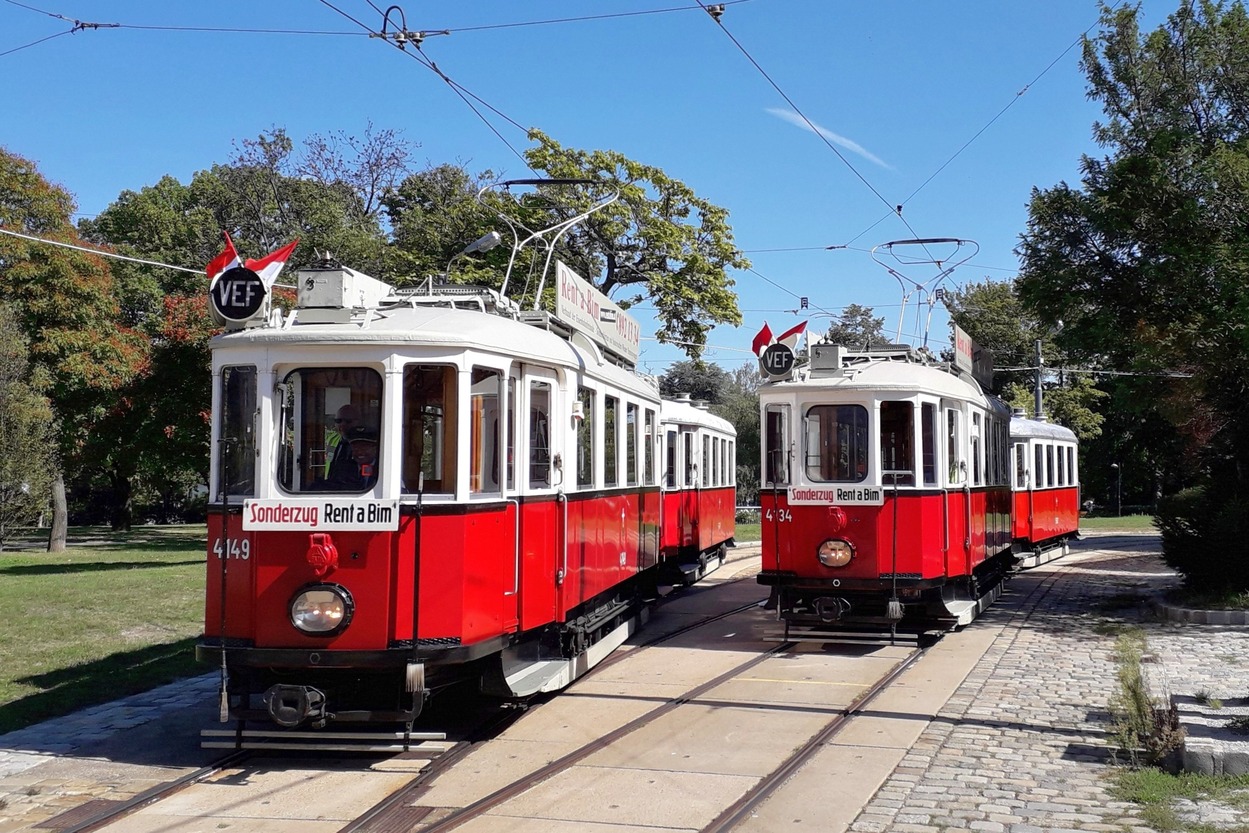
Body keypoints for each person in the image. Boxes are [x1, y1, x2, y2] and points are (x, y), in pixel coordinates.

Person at [324, 404, 360, 484]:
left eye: (348, 421)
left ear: (358, 421)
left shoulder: (364, 444)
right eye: (338, 421)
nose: (342, 424)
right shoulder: (332, 439)